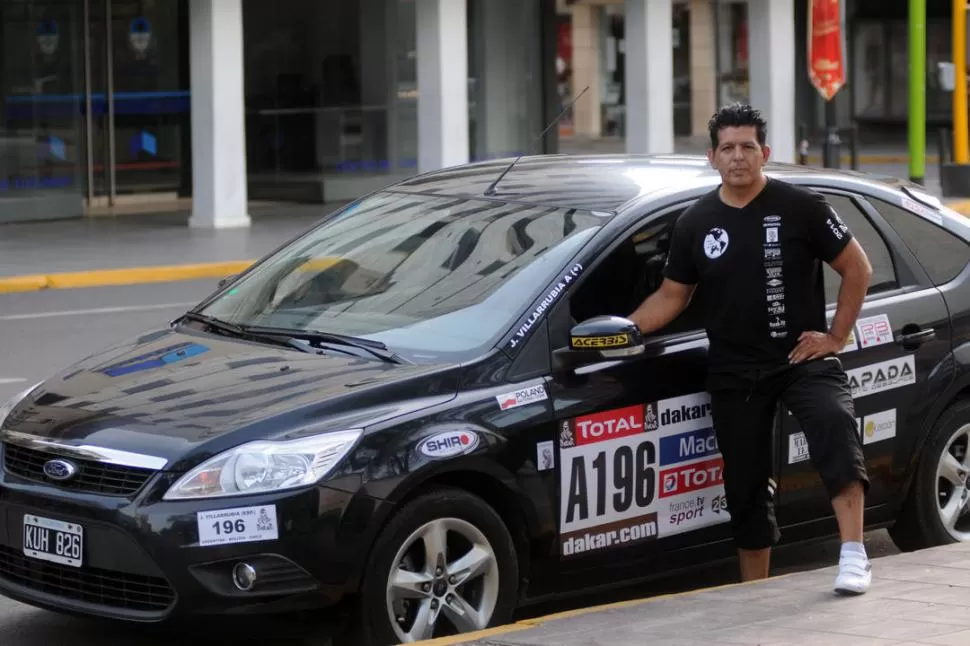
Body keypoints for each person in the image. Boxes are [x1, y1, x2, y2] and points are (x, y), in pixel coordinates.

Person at [627, 103, 874, 595]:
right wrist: (621, 331)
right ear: (712, 157)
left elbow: (857, 268)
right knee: (744, 485)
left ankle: (853, 554)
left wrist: (836, 338)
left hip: (801, 358)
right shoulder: (696, 222)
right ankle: (753, 593)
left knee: (833, 425)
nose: (738, 157)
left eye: (747, 147)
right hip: (735, 368)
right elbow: (672, 297)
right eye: (727, 148)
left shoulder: (802, 206)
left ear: (765, 153)